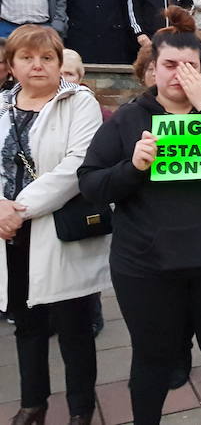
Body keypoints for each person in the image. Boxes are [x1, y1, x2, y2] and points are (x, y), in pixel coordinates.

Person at [78, 6, 201, 425]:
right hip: (148, 268)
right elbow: (90, 183)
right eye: (170, 65)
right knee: (152, 360)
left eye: (191, 66)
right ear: (153, 70)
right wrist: (133, 168)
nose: (180, 74)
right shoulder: (129, 119)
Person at [0, 25, 109, 425]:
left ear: (60, 63)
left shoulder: (79, 103)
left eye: (47, 58)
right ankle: (33, 403)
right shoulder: (2, 105)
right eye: (27, 57)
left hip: (57, 230)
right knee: (26, 323)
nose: (37, 65)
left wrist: (17, 209)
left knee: (74, 327)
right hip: (10, 233)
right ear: (11, 65)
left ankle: (81, 409)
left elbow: (75, 166)